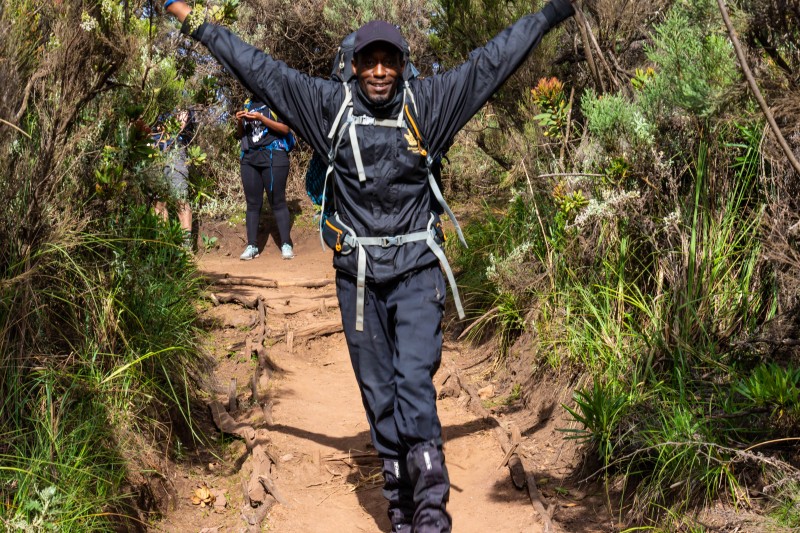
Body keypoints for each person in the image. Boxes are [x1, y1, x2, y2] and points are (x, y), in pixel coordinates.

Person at [164, 1, 575, 530]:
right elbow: (256, 66)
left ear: (403, 65)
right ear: (353, 66)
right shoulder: (326, 106)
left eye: (390, 61)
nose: (379, 71)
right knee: (379, 396)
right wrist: (191, 19)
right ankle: (400, 506)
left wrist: (552, 12)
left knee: (414, 387)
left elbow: (492, 63)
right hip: (356, 277)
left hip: (418, 272)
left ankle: (431, 514)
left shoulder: (428, 105)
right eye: (369, 61)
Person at [236, 98, 296, 260]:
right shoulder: (247, 102)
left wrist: (261, 118)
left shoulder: (275, 100)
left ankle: (286, 244)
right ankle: (252, 246)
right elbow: (240, 135)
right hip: (249, 158)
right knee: (253, 203)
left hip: (274, 155)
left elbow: (285, 129)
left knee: (277, 201)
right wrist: (240, 121)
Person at [152, 109, 193, 249]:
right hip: (154, 149)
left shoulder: (180, 96)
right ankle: (165, 248)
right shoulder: (153, 100)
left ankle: (186, 250)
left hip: (175, 148)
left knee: (181, 199)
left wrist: (161, 128)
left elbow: (180, 125)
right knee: (159, 202)